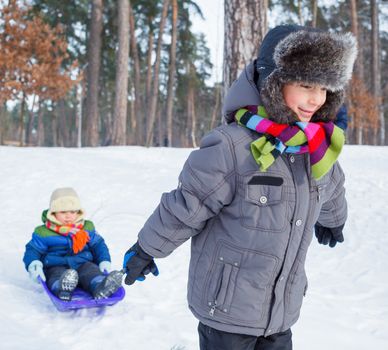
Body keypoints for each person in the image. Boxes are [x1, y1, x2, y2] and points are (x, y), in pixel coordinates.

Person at [122, 25, 357, 349]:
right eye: (305, 85)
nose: (315, 99)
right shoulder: (232, 146)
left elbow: (331, 183)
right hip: (226, 311)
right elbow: (188, 203)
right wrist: (147, 248)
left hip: (282, 311)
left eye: (323, 88)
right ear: (273, 83)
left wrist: (334, 218)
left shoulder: (316, 146)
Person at [23, 187, 123, 301]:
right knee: (55, 275)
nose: (68, 216)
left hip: (83, 263)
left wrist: (104, 260)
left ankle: (101, 286)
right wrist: (34, 264)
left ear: (78, 212)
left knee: (91, 272)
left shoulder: (86, 228)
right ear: (53, 213)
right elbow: (33, 249)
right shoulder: (43, 232)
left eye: (72, 212)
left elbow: (98, 245)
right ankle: (61, 288)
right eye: (63, 212)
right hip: (55, 265)